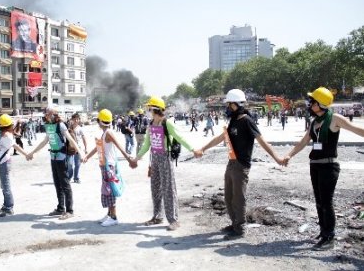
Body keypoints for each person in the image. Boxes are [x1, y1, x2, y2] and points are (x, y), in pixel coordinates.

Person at [196, 89, 284, 240]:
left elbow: (262, 141)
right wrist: (203, 148)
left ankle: (240, 228)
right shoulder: (234, 121)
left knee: (239, 197)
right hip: (231, 163)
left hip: (241, 165)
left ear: (235, 104)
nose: (227, 107)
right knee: (228, 196)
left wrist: (277, 158)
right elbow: (221, 138)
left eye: (229, 104)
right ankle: (234, 223)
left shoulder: (246, 121)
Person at [283, 87, 364, 251]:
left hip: (329, 166)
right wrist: (289, 155)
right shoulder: (314, 122)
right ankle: (323, 232)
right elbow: (304, 141)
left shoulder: (335, 118)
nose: (309, 104)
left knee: (327, 202)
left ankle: (330, 237)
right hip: (315, 166)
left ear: (320, 104)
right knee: (319, 201)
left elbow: (357, 130)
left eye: (312, 101)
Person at [131, 97, 202, 231]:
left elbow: (179, 137)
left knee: (168, 188)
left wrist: (193, 150)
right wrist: (137, 157)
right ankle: (157, 216)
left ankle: (174, 219)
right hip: (155, 158)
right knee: (155, 188)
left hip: (165, 157)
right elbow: (147, 144)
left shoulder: (166, 123)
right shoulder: (151, 124)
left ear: (155, 109)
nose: (148, 110)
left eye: (150, 108)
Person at [27, 107, 84, 220]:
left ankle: (69, 210)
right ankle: (60, 208)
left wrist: (80, 153)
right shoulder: (49, 126)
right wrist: (33, 152)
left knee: (65, 184)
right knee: (57, 183)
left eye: (48, 113)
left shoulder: (61, 125)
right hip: (53, 156)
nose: (46, 115)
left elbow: (71, 140)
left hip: (62, 157)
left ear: (53, 114)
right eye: (46, 113)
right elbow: (45, 141)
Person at [83, 109, 135, 227]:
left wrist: (128, 159)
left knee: (109, 190)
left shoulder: (109, 133)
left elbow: (119, 146)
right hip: (105, 165)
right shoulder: (105, 132)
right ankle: (109, 214)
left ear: (100, 121)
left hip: (109, 166)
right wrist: (87, 157)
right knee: (106, 189)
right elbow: (98, 148)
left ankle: (114, 217)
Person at [0, 114, 29, 217]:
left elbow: (14, 145)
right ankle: (6, 206)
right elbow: (0, 145)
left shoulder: (7, 136)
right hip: (3, 162)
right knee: (4, 185)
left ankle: (9, 208)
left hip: (4, 162)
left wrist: (26, 154)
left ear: (1, 126)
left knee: (6, 185)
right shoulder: (6, 135)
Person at [66, 113, 88, 184]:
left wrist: (86, 148)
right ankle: (69, 176)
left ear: (79, 120)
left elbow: (84, 138)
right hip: (70, 149)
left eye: (77, 119)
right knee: (69, 164)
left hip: (79, 149)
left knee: (77, 164)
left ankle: (76, 178)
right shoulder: (68, 128)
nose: (76, 120)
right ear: (72, 119)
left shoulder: (80, 129)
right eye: (74, 119)